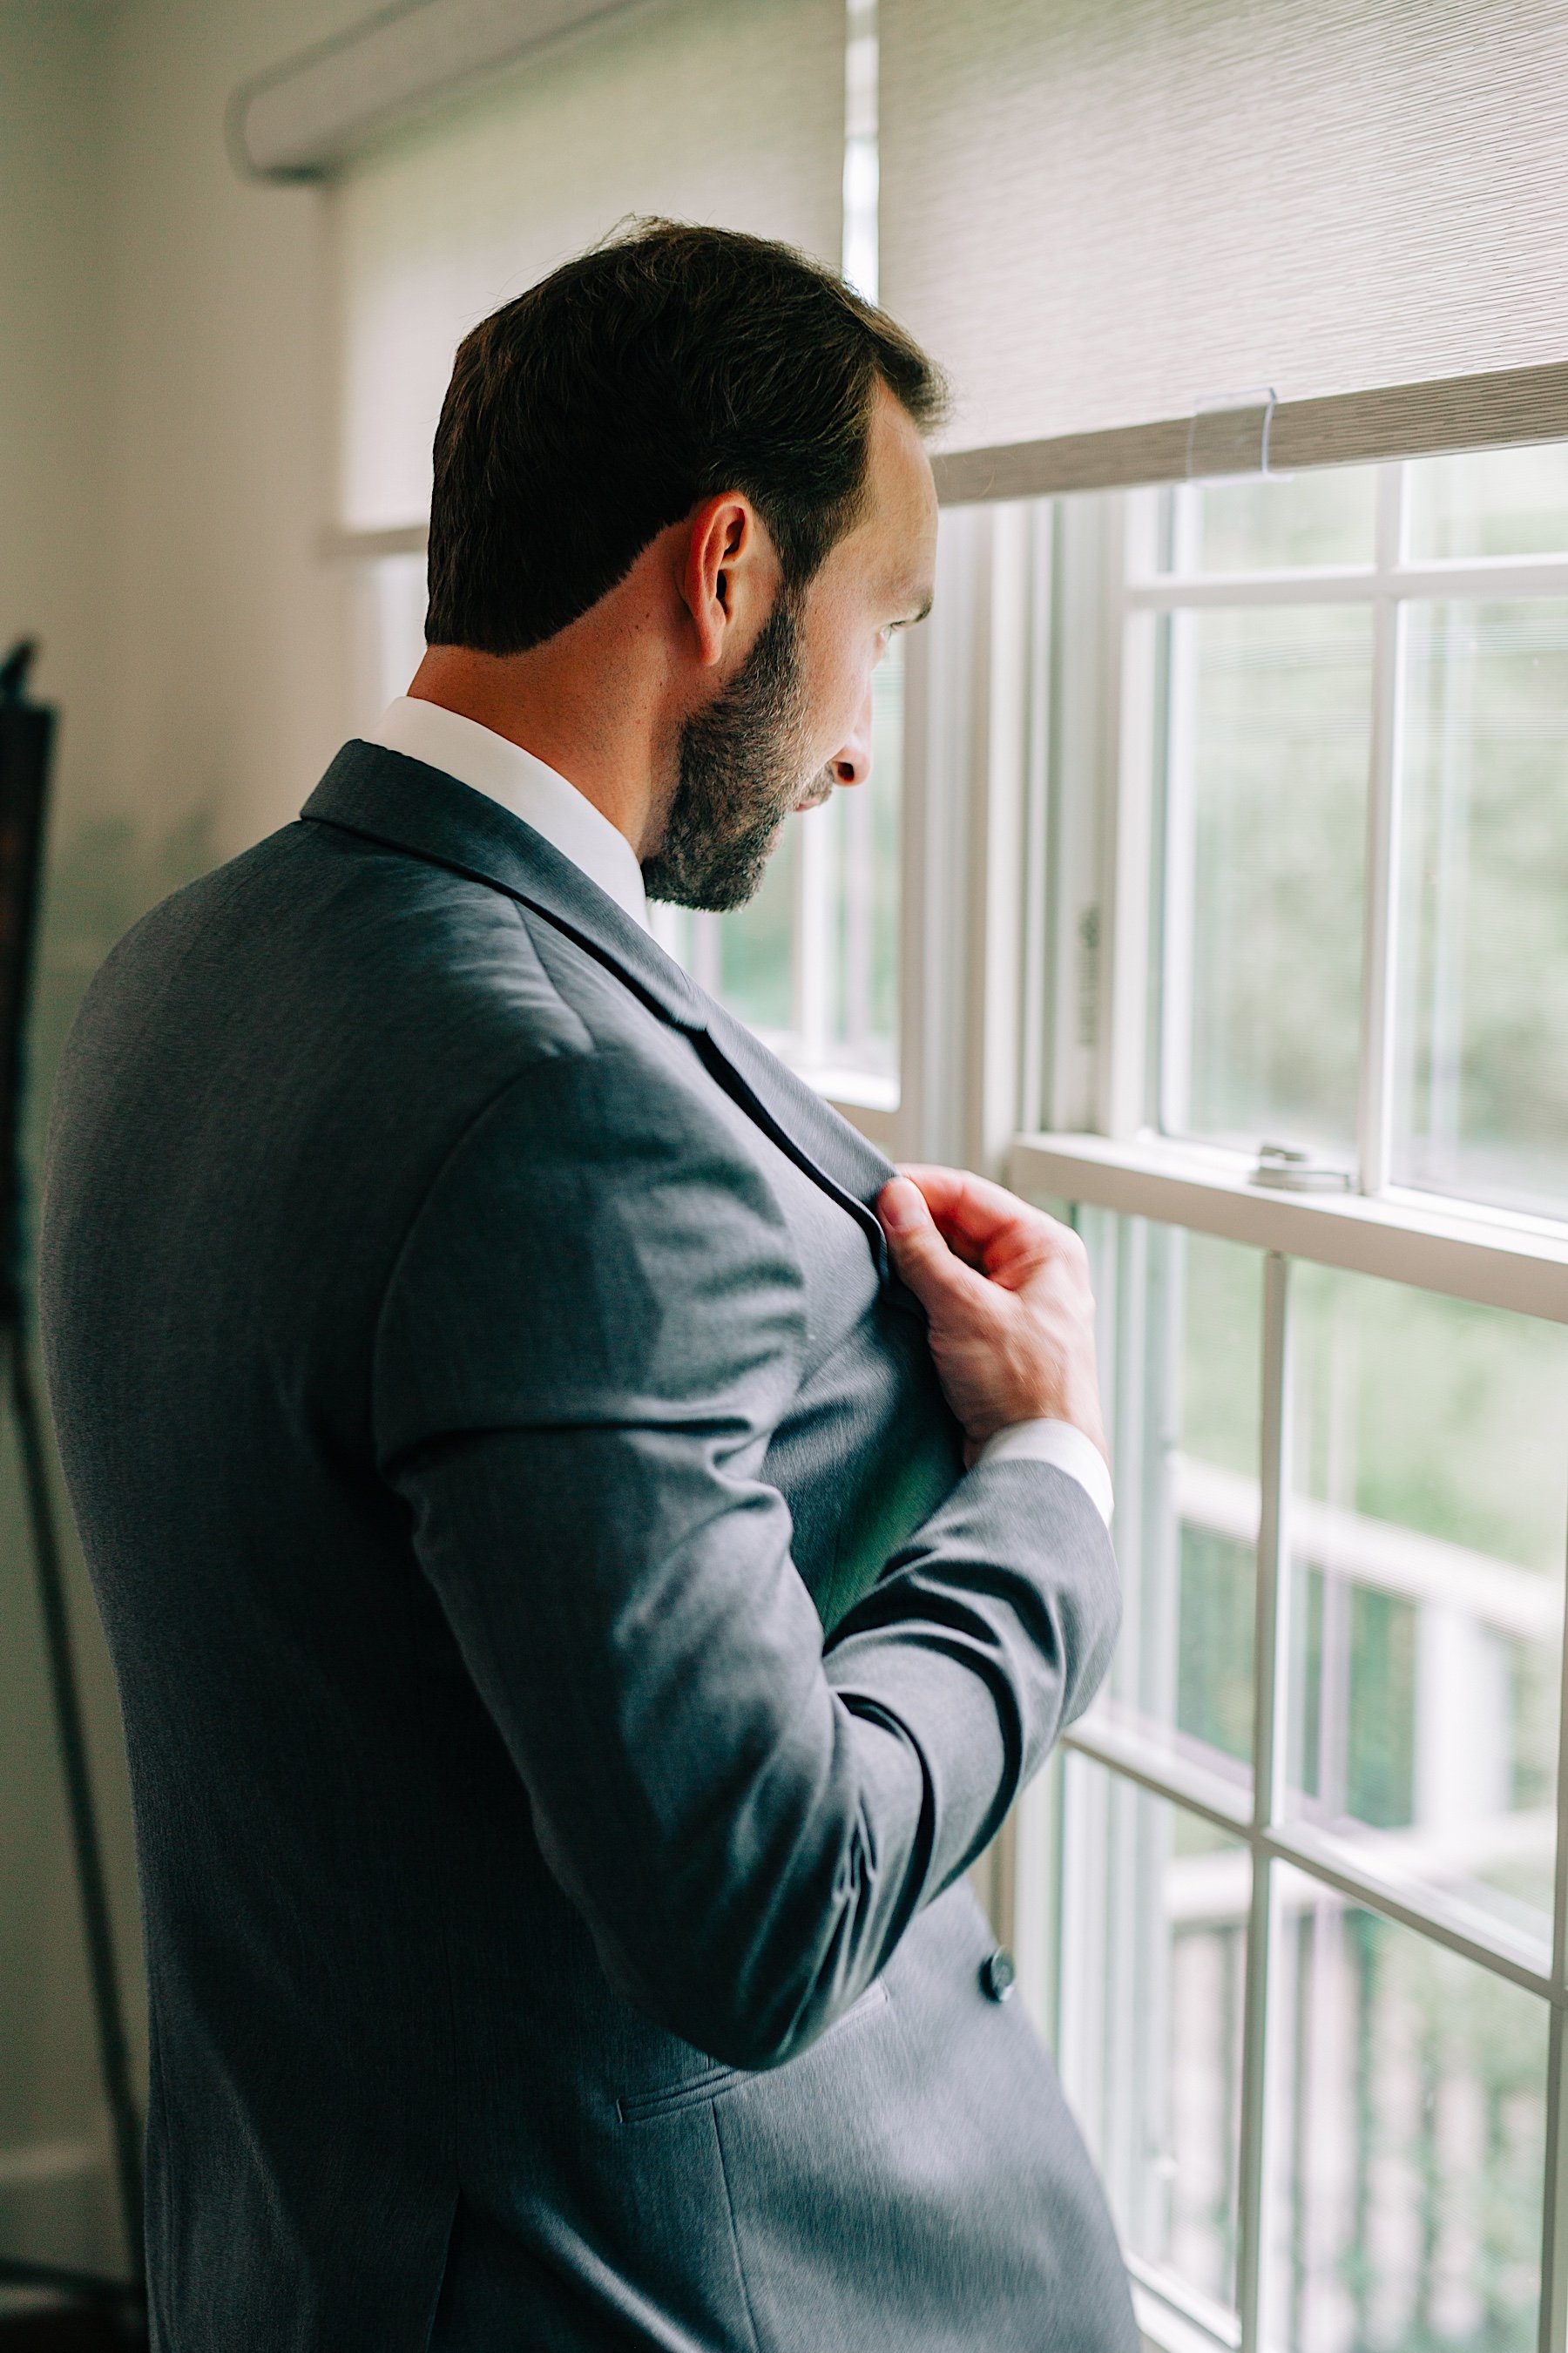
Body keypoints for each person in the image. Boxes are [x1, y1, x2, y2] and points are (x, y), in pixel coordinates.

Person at [40, 221, 1136, 2351]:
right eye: (878, 631)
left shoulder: (179, 969)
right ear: (726, 567)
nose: (858, 746)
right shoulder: (551, 1096)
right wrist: (1053, 1487)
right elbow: (767, 1905)